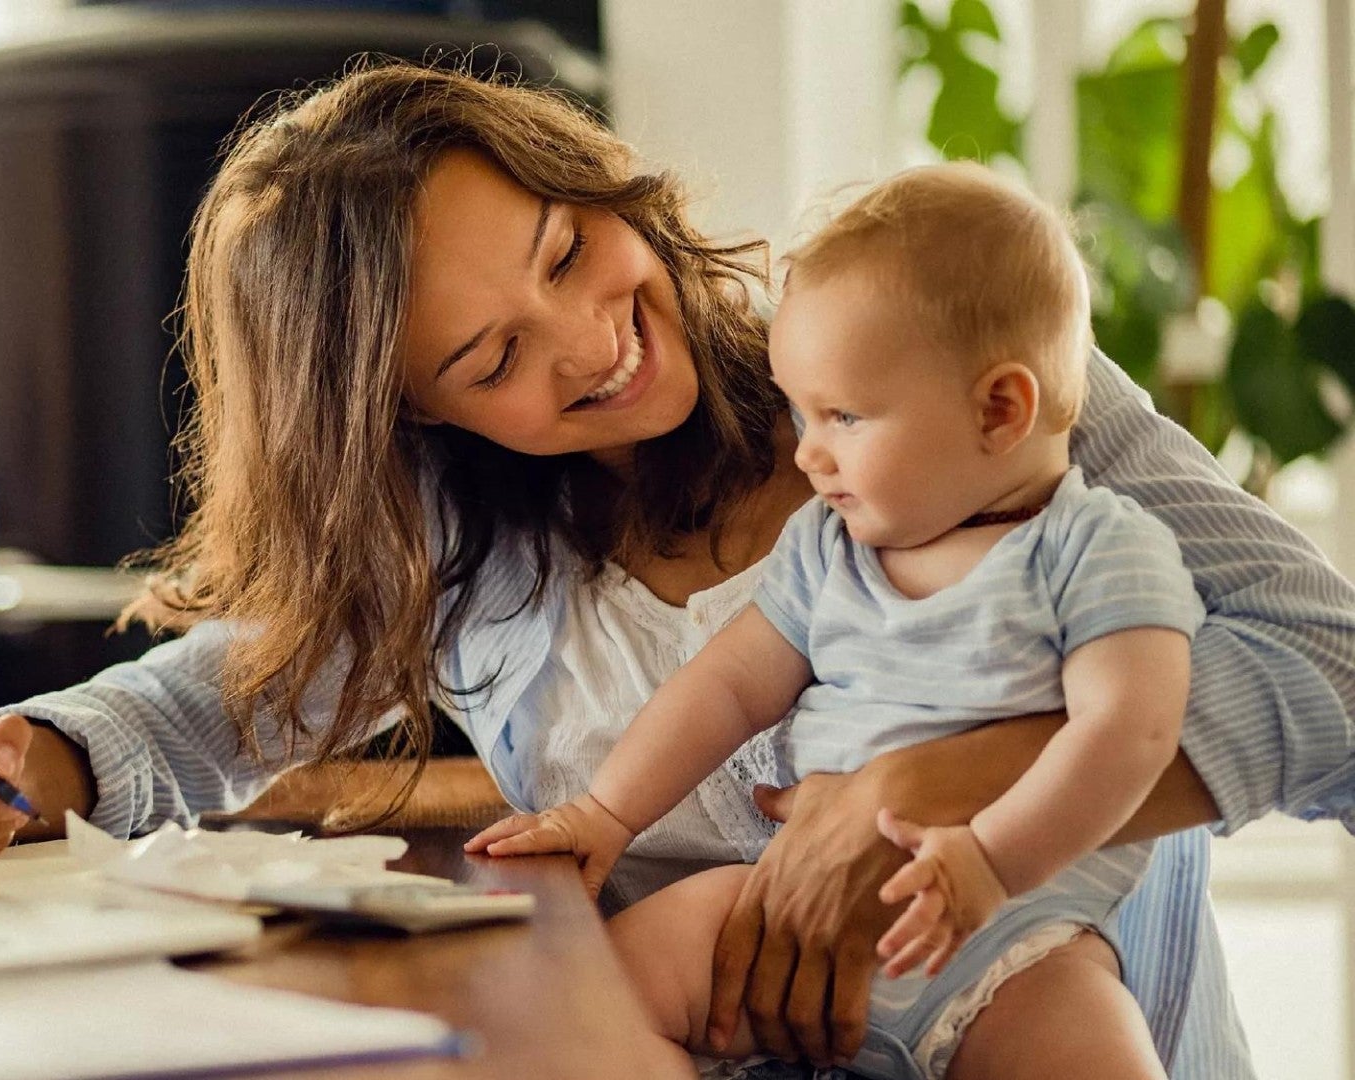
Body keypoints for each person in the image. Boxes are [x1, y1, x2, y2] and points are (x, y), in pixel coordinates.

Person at [0, 61, 1355, 1078]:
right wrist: (36, 753)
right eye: (492, 355)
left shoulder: (937, 357)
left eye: (571, 251)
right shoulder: (463, 529)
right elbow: (218, 695)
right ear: (409, 414)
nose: (591, 342)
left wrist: (932, 785)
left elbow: (1336, 678)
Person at [465, 163, 1199, 1079]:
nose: (807, 453)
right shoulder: (831, 547)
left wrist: (989, 861)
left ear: (999, 408)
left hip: (1016, 947)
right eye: (801, 412)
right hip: (782, 910)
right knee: (590, 1004)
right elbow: (728, 686)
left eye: (843, 416)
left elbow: (1133, 734)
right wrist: (606, 812)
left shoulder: (1097, 551)